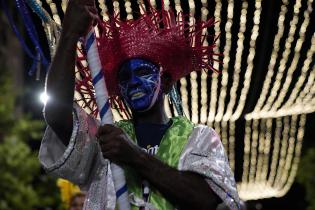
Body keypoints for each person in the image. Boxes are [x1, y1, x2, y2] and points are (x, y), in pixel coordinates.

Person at [39, 0, 240, 209]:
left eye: (143, 72)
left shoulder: (199, 139)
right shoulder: (104, 140)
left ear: (166, 81)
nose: (133, 81)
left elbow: (209, 201)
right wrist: (70, 34)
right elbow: (55, 113)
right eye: (124, 77)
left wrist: (134, 156)